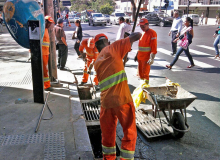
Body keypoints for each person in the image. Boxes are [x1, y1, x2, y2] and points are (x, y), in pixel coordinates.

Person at [94, 32, 141, 160]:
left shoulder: (97, 62)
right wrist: (127, 39)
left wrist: (124, 45)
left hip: (106, 103)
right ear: (107, 43)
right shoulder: (114, 47)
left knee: (108, 134)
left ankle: (108, 158)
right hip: (122, 99)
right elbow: (138, 35)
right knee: (129, 131)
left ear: (96, 48)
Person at [134, 18, 157, 84]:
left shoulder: (152, 33)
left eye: (143, 26)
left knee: (145, 75)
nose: (142, 28)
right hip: (140, 57)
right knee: (141, 74)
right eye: (141, 26)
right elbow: (141, 46)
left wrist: (152, 58)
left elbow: (154, 47)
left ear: (147, 24)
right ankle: (142, 87)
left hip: (146, 58)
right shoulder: (143, 32)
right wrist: (137, 54)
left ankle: (145, 87)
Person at [42, 16, 55, 91]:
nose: (50, 25)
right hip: (43, 53)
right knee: (45, 70)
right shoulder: (42, 29)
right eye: (49, 23)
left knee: (45, 70)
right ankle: (46, 86)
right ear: (46, 22)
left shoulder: (45, 29)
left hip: (46, 52)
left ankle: (47, 85)